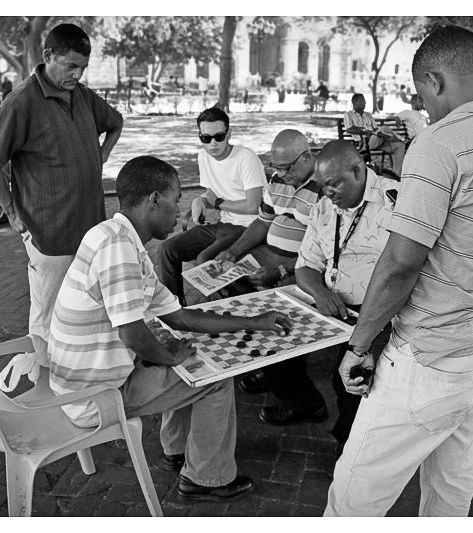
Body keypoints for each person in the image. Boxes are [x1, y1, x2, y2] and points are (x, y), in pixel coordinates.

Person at [325, 25, 473, 517]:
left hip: (434, 355)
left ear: (433, 80)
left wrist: (359, 345)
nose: (426, 109)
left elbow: (400, 263)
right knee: (452, 486)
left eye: (421, 96)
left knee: (354, 498)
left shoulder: (439, 143)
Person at [48, 155, 293, 502]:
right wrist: (170, 357)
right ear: (154, 200)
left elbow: (179, 316)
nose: (180, 211)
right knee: (214, 376)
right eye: (176, 200)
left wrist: (255, 322)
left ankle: (176, 451)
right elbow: (132, 335)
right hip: (92, 399)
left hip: (78, 382)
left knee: (178, 349)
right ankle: (206, 478)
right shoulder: (119, 249)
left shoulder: (115, 236)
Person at [0, 23, 124, 366]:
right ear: (48, 57)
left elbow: (115, 123)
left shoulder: (84, 96)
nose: (77, 74)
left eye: (83, 68)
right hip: (47, 230)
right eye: (71, 66)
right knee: (48, 311)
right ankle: (42, 377)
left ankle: (77, 372)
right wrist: (11, 213)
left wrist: (99, 156)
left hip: (90, 229)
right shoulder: (22, 102)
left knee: (85, 305)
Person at [211, 130, 324, 420]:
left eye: (286, 168)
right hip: (269, 256)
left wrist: (282, 270)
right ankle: (267, 366)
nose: (280, 174)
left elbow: (327, 247)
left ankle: (303, 401)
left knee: (276, 309)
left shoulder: (326, 185)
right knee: (231, 285)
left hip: (305, 265)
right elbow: (263, 223)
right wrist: (234, 253)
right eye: (276, 167)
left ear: (307, 157)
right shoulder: (277, 181)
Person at [294, 140, 397, 452]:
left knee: (352, 379)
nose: (328, 193)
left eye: (333, 184)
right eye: (322, 186)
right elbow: (305, 267)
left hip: (386, 314)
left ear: (357, 170)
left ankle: (355, 450)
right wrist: (320, 291)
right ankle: (352, 444)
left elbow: (409, 268)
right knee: (337, 377)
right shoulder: (323, 209)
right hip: (340, 314)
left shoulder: (397, 200)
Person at [157, 106, 266, 305]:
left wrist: (215, 203)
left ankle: (220, 314)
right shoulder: (204, 156)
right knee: (167, 249)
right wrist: (201, 200)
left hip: (249, 227)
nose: (213, 143)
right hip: (223, 225)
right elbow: (212, 193)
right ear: (200, 136)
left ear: (229, 133)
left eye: (219, 136)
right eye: (206, 138)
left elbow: (252, 205)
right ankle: (173, 310)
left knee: (205, 260)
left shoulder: (245, 157)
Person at [343, 93, 405, 168]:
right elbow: (349, 129)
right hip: (364, 143)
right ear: (354, 102)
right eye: (362, 101)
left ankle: (397, 175)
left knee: (400, 146)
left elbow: (376, 129)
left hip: (378, 140)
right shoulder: (348, 114)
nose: (365, 103)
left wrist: (379, 133)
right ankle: (400, 138)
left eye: (364, 101)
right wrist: (365, 131)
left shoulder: (368, 115)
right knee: (384, 128)